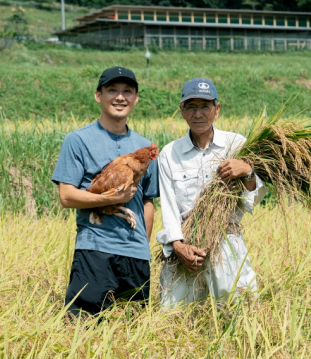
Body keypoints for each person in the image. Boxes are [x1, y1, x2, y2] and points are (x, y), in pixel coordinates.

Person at [52, 66, 159, 317]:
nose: (120, 97)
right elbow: (67, 196)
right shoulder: (78, 140)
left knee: (132, 330)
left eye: (127, 91)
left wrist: (143, 245)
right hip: (95, 249)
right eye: (112, 90)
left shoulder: (144, 147)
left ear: (136, 98)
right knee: (83, 325)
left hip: (135, 255)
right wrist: (109, 198)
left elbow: (148, 201)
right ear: (98, 95)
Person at [156, 78, 266, 308]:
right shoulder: (170, 154)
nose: (198, 114)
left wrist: (247, 172)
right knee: (175, 317)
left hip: (227, 243)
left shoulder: (237, 144)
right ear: (182, 111)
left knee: (235, 310)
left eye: (205, 106)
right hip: (186, 248)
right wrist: (177, 246)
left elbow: (254, 199)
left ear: (217, 110)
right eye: (191, 106)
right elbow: (168, 207)